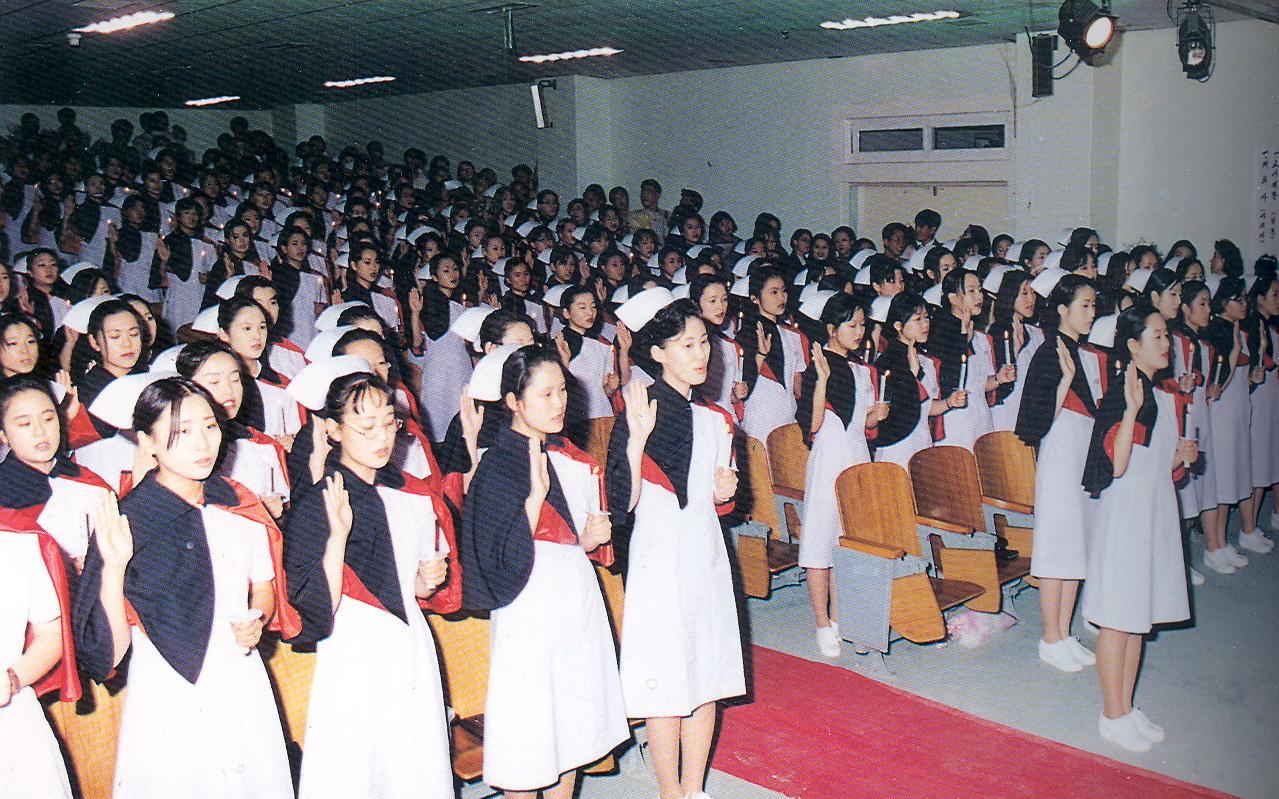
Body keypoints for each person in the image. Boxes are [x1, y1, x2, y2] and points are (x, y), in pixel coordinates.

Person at [73, 375, 296, 797]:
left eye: (210, 426)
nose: (202, 444)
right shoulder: (131, 519)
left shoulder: (237, 501)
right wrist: (114, 568)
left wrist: (257, 619)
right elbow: (108, 653)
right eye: (182, 432)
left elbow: (263, 587)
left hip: (240, 678)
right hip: (170, 691)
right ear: (148, 442)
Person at [461, 345, 628, 798]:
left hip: (574, 597)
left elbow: (571, 540)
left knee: (569, 728)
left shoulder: (566, 454)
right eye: (545, 394)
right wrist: (535, 499)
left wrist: (590, 540)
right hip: (527, 605)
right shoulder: (497, 465)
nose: (559, 404)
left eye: (562, 391)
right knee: (530, 733)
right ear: (513, 402)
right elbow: (494, 554)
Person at [283, 369, 456, 799]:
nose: (382, 438)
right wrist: (338, 538)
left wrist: (424, 582)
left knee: (413, 763)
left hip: (409, 642)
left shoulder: (409, 491)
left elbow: (406, 582)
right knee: (359, 768)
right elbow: (312, 607)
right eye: (366, 427)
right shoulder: (318, 501)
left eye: (388, 423)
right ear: (334, 430)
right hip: (354, 650)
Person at [606, 288, 745, 799]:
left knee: (706, 673)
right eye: (686, 345)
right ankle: (669, 791)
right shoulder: (639, 409)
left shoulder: (716, 417)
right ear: (658, 352)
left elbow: (722, 502)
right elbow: (621, 503)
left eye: (704, 341)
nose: (701, 353)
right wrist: (637, 439)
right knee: (665, 680)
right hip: (659, 557)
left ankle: (694, 787)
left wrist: (725, 493)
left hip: (705, 553)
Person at [1081, 304, 1195, 752]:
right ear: (1132, 345)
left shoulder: (1158, 391)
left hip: (1152, 511)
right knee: (1118, 618)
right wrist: (1129, 412)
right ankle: (1111, 715)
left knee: (1136, 618)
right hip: (1126, 516)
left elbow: (1155, 466)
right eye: (1157, 336)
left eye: (1167, 336)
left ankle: (1125, 707)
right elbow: (1119, 463)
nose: (1167, 344)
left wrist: (1180, 457)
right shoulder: (1125, 393)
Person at [1016, 273, 1100, 672]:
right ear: (1063, 309)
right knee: (1057, 548)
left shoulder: (1082, 350)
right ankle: (1050, 637)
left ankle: (1064, 635)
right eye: (1085, 305)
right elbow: (1034, 423)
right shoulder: (1049, 353)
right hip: (1060, 456)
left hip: (1080, 453)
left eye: (1094, 305)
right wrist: (1065, 382)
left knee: (1075, 546)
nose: (1092, 312)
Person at [795, 292, 887, 657]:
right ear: (831, 329)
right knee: (821, 540)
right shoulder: (818, 368)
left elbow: (862, 425)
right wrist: (821, 380)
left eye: (863, 325)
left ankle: (839, 617)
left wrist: (875, 417)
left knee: (846, 540)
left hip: (856, 458)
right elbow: (813, 424)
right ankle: (821, 622)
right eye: (851, 325)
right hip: (828, 461)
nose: (859, 332)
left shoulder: (863, 370)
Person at [873, 293, 964, 470]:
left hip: (922, 441)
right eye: (917, 319)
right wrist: (912, 374)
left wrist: (948, 402)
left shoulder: (923, 358)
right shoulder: (887, 362)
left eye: (926, 318)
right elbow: (893, 411)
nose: (925, 324)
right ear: (898, 325)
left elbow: (925, 407)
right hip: (898, 446)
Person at [1202, 277, 1253, 572]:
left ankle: (1221, 542)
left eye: (1245, 299)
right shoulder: (1219, 329)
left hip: (1233, 410)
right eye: (1239, 299)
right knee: (1220, 477)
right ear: (1224, 302)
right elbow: (1221, 378)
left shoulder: (1233, 327)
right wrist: (1234, 347)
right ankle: (1215, 544)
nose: (1244, 304)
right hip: (1220, 410)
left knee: (1229, 473)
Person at [738, 267, 805, 442]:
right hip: (759, 420)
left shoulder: (791, 335)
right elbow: (744, 382)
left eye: (783, 291)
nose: (781, 297)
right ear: (755, 298)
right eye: (774, 292)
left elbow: (796, 385)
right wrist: (761, 354)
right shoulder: (747, 334)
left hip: (788, 417)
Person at [987, 270, 1044, 431]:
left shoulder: (1036, 333)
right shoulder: (997, 331)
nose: (1031, 299)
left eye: (1033, 293)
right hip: (1006, 412)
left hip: (1030, 410)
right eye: (1024, 293)